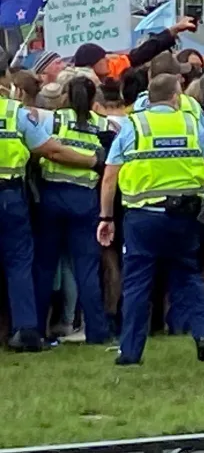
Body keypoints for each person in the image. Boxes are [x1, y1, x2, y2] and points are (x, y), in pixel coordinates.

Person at [97, 74, 204, 364]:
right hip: (185, 216)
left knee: (138, 285)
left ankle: (130, 352)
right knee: (189, 276)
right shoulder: (191, 123)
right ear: (176, 96)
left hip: (142, 217)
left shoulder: (133, 125)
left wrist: (106, 216)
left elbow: (109, 178)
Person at [33, 77, 117, 344]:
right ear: (94, 99)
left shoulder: (53, 120)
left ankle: (35, 330)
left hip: (52, 196)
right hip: (85, 199)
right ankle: (97, 331)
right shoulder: (103, 125)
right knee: (87, 269)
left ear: (66, 95)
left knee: (45, 267)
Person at [73, 17, 195, 81]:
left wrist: (174, 30)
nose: (108, 59)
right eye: (102, 59)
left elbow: (147, 49)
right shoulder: (77, 88)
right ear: (91, 65)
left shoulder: (120, 68)